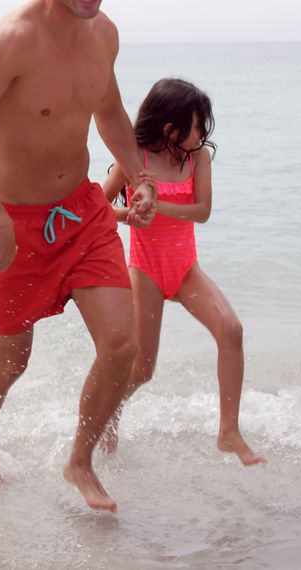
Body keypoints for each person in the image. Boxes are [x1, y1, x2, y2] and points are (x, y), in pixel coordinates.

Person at [0, 0, 156, 512]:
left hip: (83, 213)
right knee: (10, 362)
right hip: (13, 225)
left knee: (122, 344)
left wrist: (139, 177)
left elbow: (108, 112)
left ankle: (79, 461)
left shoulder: (104, 34)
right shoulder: (12, 40)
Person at [101, 78, 265, 466]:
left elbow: (203, 211)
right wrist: (128, 215)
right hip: (146, 272)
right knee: (142, 369)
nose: (203, 134)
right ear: (169, 128)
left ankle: (228, 431)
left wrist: (160, 208)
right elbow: (98, 209)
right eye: (196, 126)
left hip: (185, 268)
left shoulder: (198, 159)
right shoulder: (134, 160)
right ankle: (106, 415)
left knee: (231, 331)